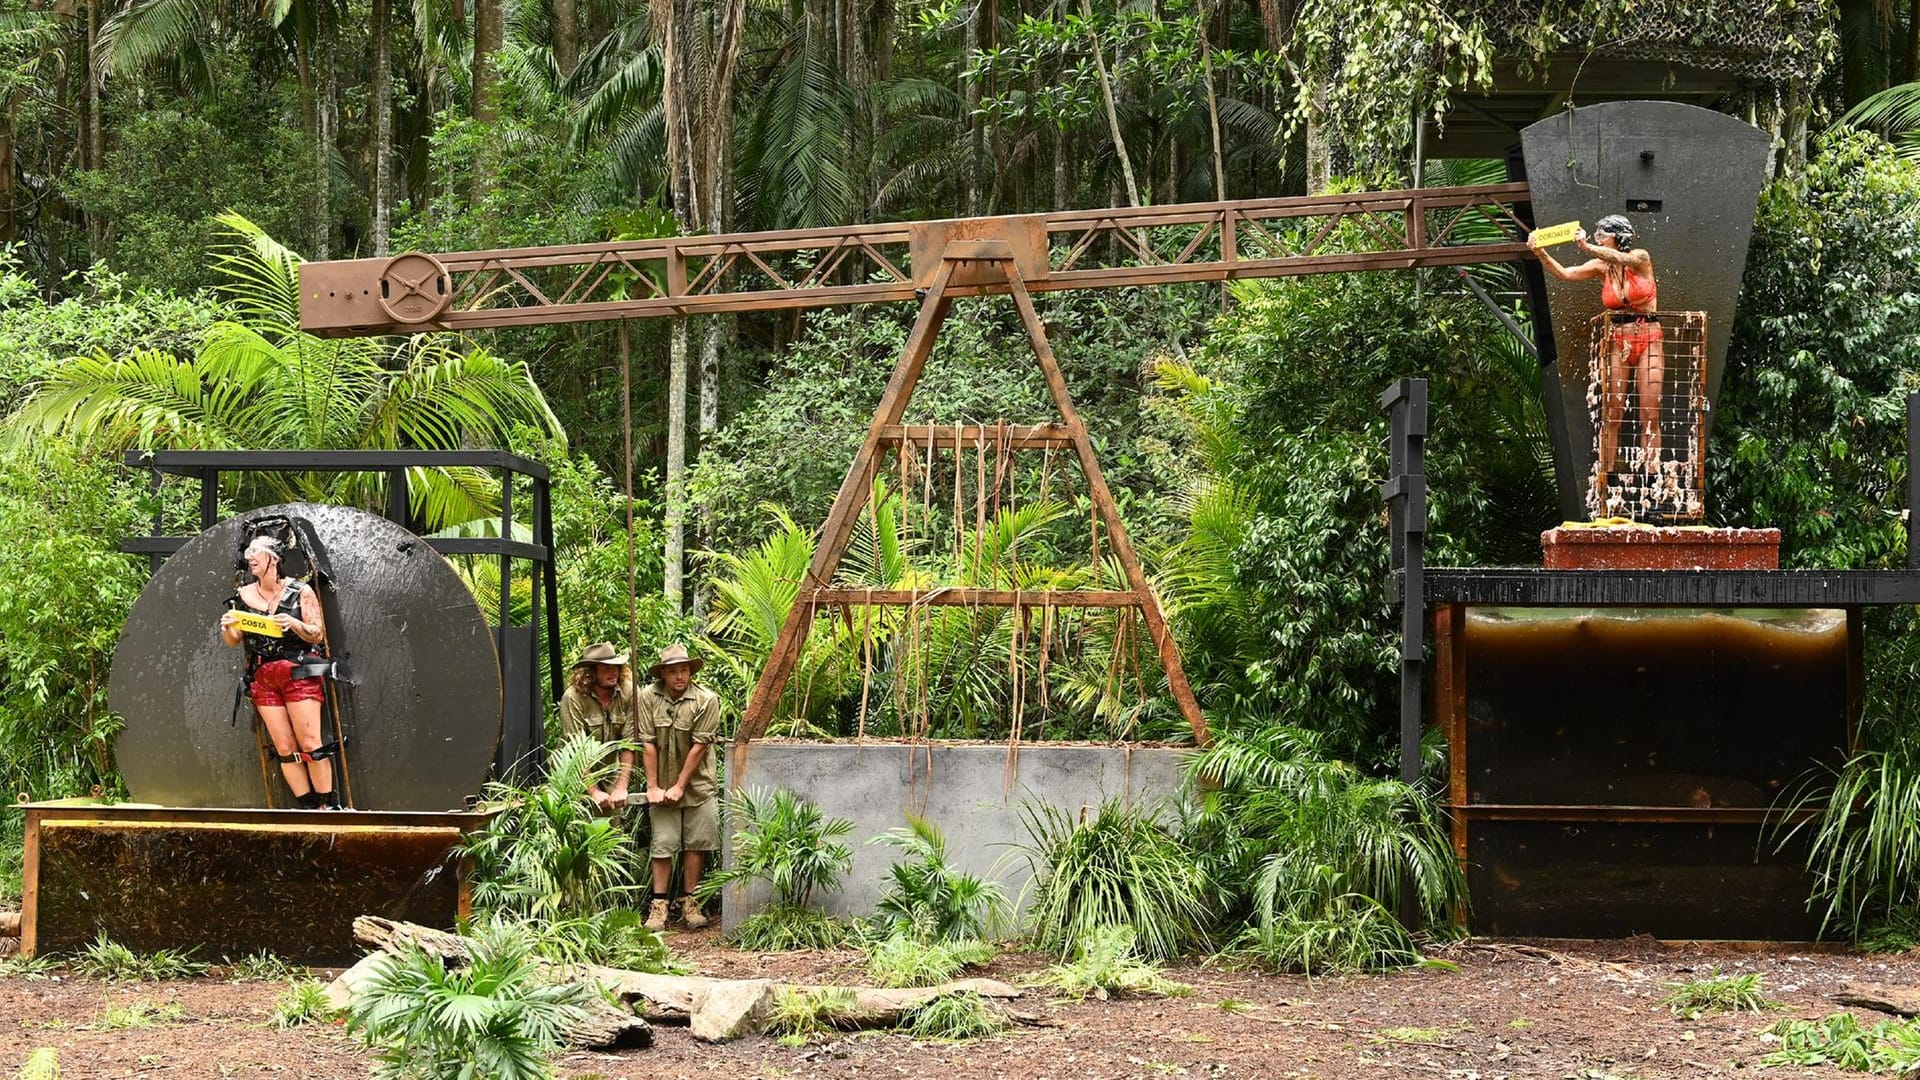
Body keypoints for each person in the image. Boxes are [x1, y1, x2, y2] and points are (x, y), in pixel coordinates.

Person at [1531, 214, 1663, 504]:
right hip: (1619, 339)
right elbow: (1565, 274)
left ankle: (1652, 480)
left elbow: (1616, 257)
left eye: (1602, 233)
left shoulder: (1640, 258)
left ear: (1618, 236)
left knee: (1648, 413)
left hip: (1649, 335)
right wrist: (1541, 253)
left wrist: (1589, 247)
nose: (1596, 236)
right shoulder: (1601, 268)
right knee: (1613, 410)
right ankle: (1608, 478)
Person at [219, 535, 340, 809]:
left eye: (256, 554)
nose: (250, 559)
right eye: (249, 554)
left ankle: (327, 806)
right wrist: (227, 628)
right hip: (263, 676)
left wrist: (294, 623)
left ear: (273, 559)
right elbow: (234, 639)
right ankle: (306, 807)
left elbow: (317, 633)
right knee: (285, 747)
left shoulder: (300, 591)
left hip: (297, 671)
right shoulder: (243, 595)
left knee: (310, 741)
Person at [636, 643, 723, 931]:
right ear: (663, 673)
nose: (680, 677)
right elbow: (647, 742)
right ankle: (659, 905)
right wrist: (653, 786)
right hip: (661, 783)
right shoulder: (648, 697)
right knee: (663, 843)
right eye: (673, 671)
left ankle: (690, 902)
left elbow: (700, 746)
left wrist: (680, 786)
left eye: (684, 670)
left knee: (695, 844)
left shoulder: (705, 699)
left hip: (698, 785)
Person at [557, 642, 639, 813]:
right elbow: (575, 750)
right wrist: (592, 791)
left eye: (616, 667)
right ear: (590, 673)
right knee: (578, 829)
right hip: (574, 774)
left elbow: (629, 744)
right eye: (605, 668)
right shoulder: (573, 698)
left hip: (610, 772)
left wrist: (621, 787)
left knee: (611, 831)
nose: (613, 672)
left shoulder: (628, 692)